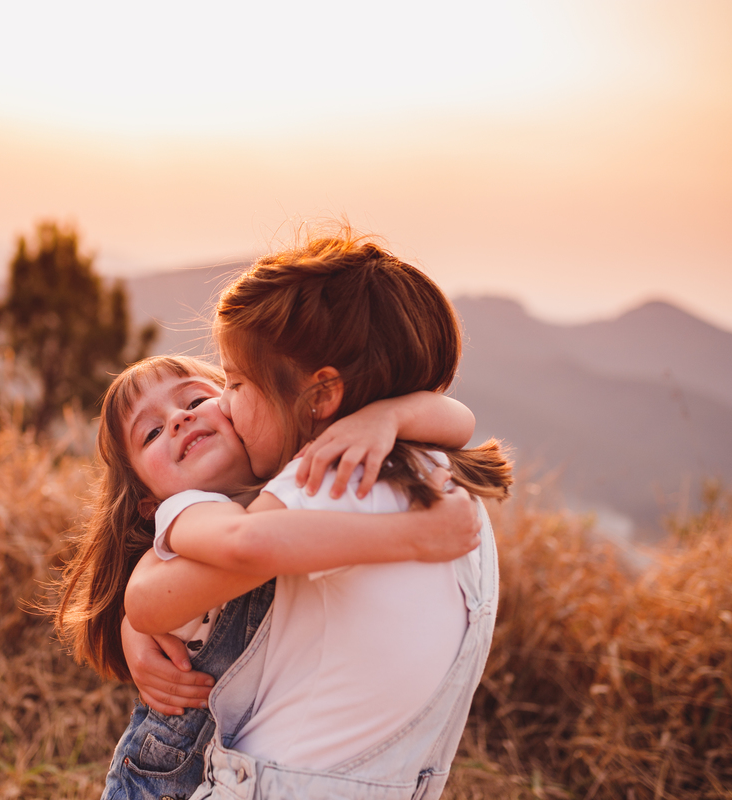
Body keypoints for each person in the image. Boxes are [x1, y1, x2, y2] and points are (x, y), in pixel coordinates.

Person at [125, 231, 513, 799]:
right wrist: (395, 414)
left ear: (320, 396)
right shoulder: (441, 472)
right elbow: (461, 418)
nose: (225, 405)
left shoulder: (322, 483)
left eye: (234, 383)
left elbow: (222, 560)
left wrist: (135, 616)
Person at [52, 355, 482, 800]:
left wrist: (386, 417)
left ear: (239, 405)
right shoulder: (184, 515)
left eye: (197, 399)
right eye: (153, 432)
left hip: (249, 766)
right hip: (165, 779)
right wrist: (414, 537)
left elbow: (460, 421)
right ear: (147, 500)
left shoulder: (288, 480)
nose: (179, 419)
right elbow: (246, 545)